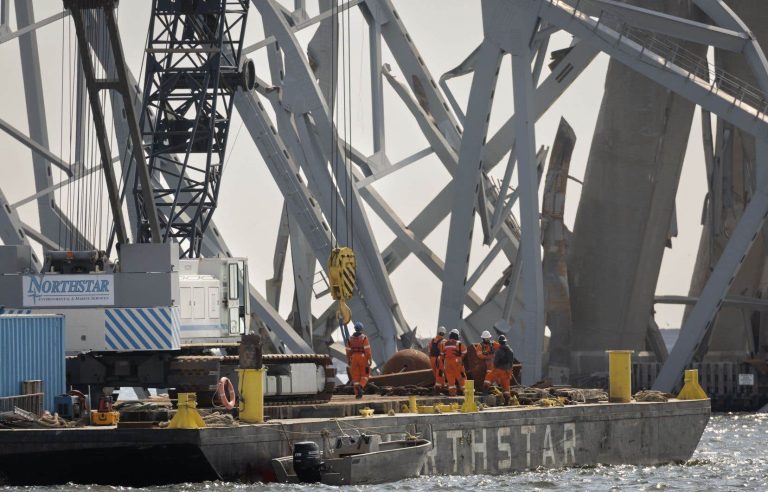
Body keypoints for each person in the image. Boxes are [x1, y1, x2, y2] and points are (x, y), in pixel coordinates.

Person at [346, 321, 372, 399]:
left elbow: (348, 350)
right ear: (361, 329)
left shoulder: (350, 339)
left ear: (355, 329)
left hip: (353, 358)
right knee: (365, 375)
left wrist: (348, 360)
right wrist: (369, 359)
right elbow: (367, 350)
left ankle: (358, 394)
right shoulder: (364, 338)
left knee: (355, 378)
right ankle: (361, 386)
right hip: (362, 358)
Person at [487, 335, 515, 405]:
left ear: (499, 342)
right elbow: (511, 362)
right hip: (507, 371)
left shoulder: (498, 351)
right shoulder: (511, 351)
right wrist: (510, 370)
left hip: (499, 370)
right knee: (506, 387)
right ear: (505, 342)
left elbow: (495, 362)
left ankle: (485, 391)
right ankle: (506, 402)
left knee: (488, 378)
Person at [440, 328, 467, 396]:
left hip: (447, 363)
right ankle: (466, 392)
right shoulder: (459, 343)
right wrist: (460, 358)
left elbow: (442, 355)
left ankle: (452, 394)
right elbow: (464, 352)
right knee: (461, 376)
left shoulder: (444, 344)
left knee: (450, 378)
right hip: (456, 362)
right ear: (457, 336)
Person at [429, 326, 447, 391]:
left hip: (432, 359)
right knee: (440, 372)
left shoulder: (432, 340)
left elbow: (430, 348)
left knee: (435, 372)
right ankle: (438, 386)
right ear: (444, 333)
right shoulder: (444, 341)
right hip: (439, 359)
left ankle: (442, 384)